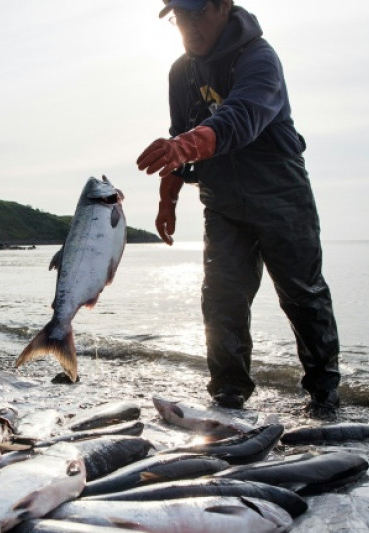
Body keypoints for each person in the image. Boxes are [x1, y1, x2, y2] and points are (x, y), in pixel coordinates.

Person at [136, 0, 341, 416]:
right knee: (222, 297)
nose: (188, 27)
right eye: (179, 18)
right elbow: (180, 135)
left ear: (223, 7)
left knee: (303, 294)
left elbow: (243, 116)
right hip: (222, 200)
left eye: (197, 14)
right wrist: (168, 199)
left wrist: (185, 146)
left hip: (280, 193)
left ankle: (323, 392)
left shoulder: (259, 58)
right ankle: (229, 393)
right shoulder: (181, 72)